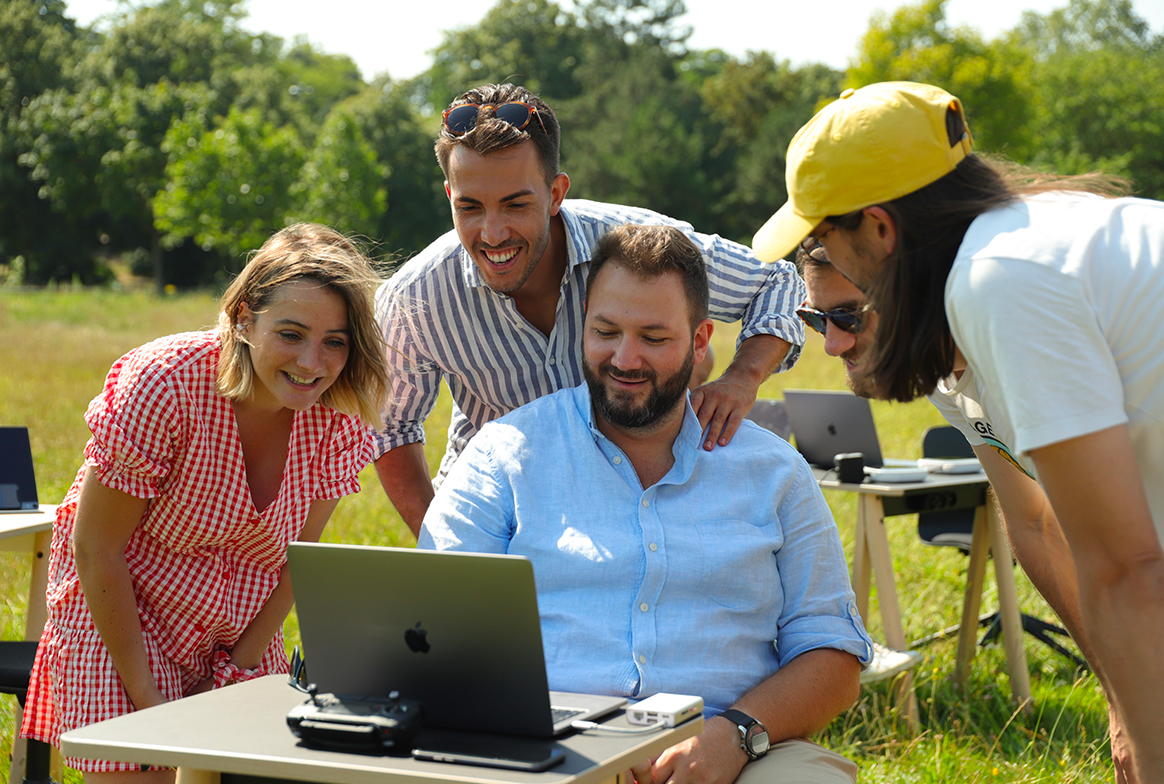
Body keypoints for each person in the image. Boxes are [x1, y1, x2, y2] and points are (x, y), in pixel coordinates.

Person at [752, 80, 1164, 782]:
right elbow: (1035, 520)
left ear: (881, 230)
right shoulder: (998, 271)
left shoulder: (999, 281)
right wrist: (1123, 697)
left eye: (825, 237)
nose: (835, 340)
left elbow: (1126, 570)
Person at [421, 224, 871, 784]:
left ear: (701, 339)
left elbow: (833, 656)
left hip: (742, 746)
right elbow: (437, 633)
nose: (624, 358)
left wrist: (735, 734)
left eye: (654, 338)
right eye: (605, 331)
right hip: (551, 747)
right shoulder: (503, 456)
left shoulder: (775, 472)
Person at [21, 224, 389, 781]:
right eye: (291, 334)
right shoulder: (167, 382)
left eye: (335, 341)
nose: (313, 362)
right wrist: (146, 694)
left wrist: (236, 670)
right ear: (244, 317)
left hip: (240, 632)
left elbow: (296, 563)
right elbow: (96, 546)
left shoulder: (339, 416)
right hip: (123, 620)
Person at [374, 82, 806, 537]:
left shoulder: (635, 244)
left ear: (556, 193)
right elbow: (392, 428)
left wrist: (742, 379)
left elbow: (778, 282)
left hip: (629, 505)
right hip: (497, 508)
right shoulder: (414, 298)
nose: (493, 232)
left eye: (516, 204)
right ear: (449, 197)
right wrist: (443, 542)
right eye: (470, 207)